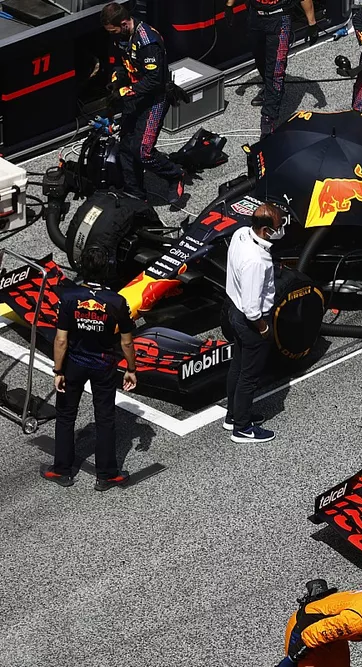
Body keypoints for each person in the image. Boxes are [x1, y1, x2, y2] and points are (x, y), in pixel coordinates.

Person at [47, 246, 137, 491]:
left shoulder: (68, 297)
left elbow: (61, 340)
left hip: (74, 364)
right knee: (105, 418)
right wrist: (131, 369)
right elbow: (127, 341)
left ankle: (61, 470)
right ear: (107, 269)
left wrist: (58, 371)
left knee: (66, 416)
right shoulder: (117, 301)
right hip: (104, 365)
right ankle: (106, 475)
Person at [101, 3, 187, 203]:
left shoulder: (148, 42)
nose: (113, 35)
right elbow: (120, 64)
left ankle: (175, 174)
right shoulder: (120, 37)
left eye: (114, 31)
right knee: (126, 147)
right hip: (133, 97)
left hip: (155, 99)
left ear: (124, 23)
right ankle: (136, 195)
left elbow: (154, 80)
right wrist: (116, 83)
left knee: (143, 151)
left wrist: (125, 91)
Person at [225, 204, 287, 443]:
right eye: (278, 226)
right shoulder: (256, 262)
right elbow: (253, 309)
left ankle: (233, 414)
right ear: (264, 230)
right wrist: (264, 328)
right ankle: (241, 428)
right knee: (249, 376)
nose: (281, 229)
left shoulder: (240, 233)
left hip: (233, 308)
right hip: (250, 320)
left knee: (238, 367)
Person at [227, 0, 318, 139]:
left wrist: (312, 24)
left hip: (279, 19)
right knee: (260, 58)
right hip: (255, 17)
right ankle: (272, 90)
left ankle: (268, 122)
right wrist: (229, 5)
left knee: (276, 70)